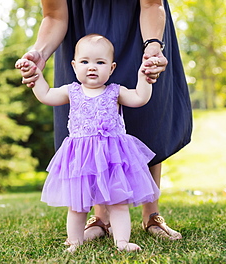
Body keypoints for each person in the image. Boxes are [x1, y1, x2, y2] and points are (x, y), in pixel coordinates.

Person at [19, 0, 192, 241]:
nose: (94, 68)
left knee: (147, 121)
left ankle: (151, 214)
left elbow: (152, 4)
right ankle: (99, 217)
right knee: (89, 148)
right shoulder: (74, 84)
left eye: (102, 65)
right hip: (80, 27)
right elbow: (54, 15)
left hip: (140, 23)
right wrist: (39, 52)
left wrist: (152, 47)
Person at [15, 34, 162, 252]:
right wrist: (36, 74)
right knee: (77, 205)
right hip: (80, 159)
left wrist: (144, 78)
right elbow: (46, 95)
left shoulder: (115, 91)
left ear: (111, 68)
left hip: (112, 159)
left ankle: (122, 241)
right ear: (74, 66)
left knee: (118, 203)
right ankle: (75, 241)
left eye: (100, 62)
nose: (91, 67)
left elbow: (139, 98)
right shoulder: (71, 91)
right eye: (85, 62)